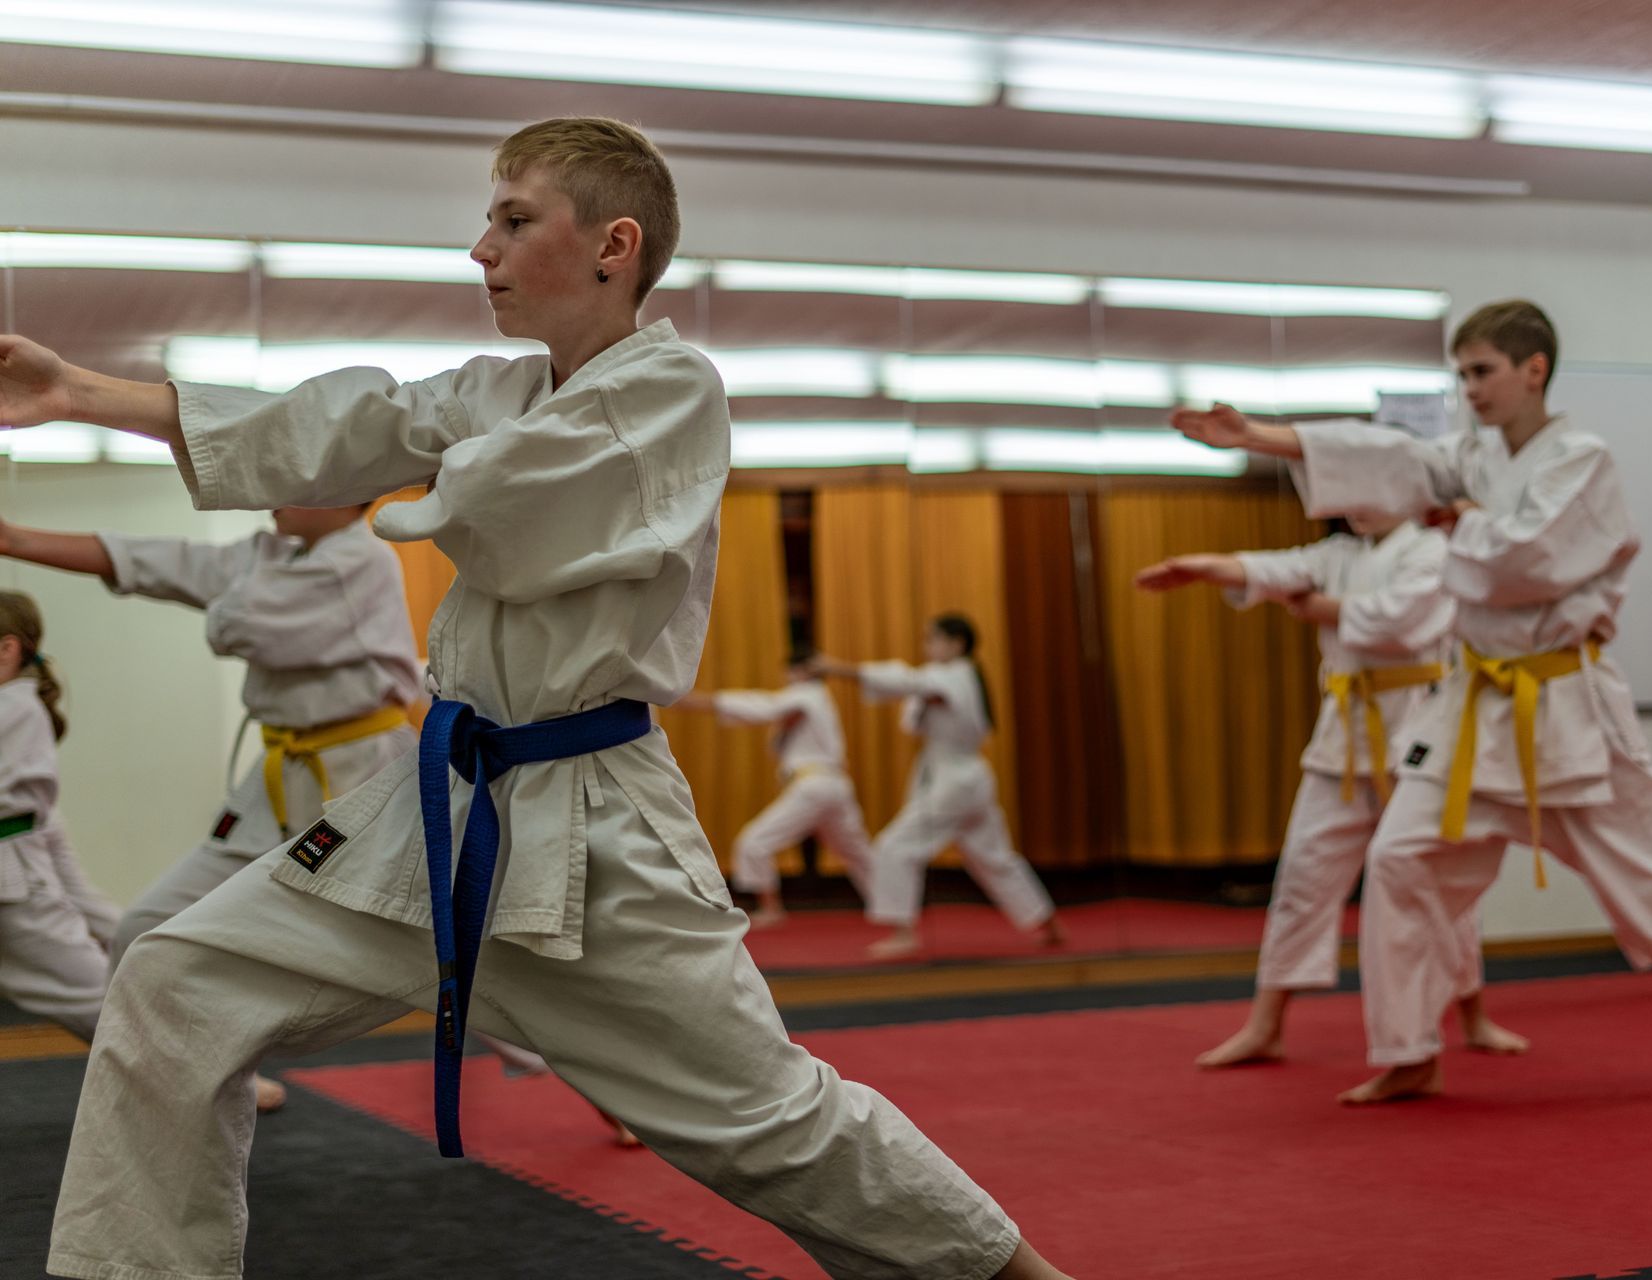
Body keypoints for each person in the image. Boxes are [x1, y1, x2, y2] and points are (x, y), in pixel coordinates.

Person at [6, 115, 1069, 1280]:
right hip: (441, 807)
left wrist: (420, 473)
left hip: (596, 830)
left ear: (615, 245)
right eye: (489, 221)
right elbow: (338, 426)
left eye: (514, 220)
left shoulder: (670, 388)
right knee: (171, 979)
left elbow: (512, 504)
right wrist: (80, 389)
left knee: (768, 1123)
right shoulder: (498, 390)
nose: (483, 248)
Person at [1172, 299, 1652, 1103]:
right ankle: (1410, 1050)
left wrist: (1461, 522)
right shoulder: (1475, 457)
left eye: (1482, 371)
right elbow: (1396, 461)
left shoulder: (1582, 460)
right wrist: (1262, 436)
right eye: (1461, 374)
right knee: (1402, 860)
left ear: (1534, 369)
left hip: (1565, 706)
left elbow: (1530, 559)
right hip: (1472, 709)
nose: (1470, 388)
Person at [0, 504, 420, 1113]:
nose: (270, 495)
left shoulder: (364, 560)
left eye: (291, 478)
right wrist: (16, 539)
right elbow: (157, 562)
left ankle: (552, 1061)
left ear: (345, 492)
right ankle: (181, 1082)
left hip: (362, 778)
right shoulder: (270, 556)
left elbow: (239, 625)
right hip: (275, 779)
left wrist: (227, 595)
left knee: (432, 938)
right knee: (144, 924)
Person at [1135, 513, 1526, 1069]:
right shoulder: (1339, 554)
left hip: (1416, 733)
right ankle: (1266, 1025)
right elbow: (1272, 568)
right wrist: (1203, 567)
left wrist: (1319, 607)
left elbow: (1400, 621)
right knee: (1302, 876)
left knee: (1436, 882)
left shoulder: (1432, 550)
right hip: (1340, 741)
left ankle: (1473, 1015)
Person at [812, 614, 1063, 960]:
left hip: (954, 781)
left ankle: (903, 933)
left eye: (933, 639)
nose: (927, 646)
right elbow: (914, 692)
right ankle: (1049, 923)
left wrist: (836, 669)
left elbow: (905, 681)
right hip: (968, 778)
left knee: (895, 846)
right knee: (994, 857)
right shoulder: (960, 677)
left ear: (956, 644)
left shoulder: (953, 675)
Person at [678, 652, 872, 928]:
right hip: (834, 785)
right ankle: (890, 904)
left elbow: (766, 705)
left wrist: (707, 702)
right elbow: (779, 712)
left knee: (754, 842)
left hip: (814, 786)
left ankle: (771, 908)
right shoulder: (818, 702)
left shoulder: (807, 694)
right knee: (857, 852)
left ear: (800, 672)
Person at [0, 591, 115, 1042]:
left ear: (7, 649)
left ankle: (215, 1074)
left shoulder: (17, 709)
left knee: (100, 1001)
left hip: (14, 888)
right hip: (20, 874)